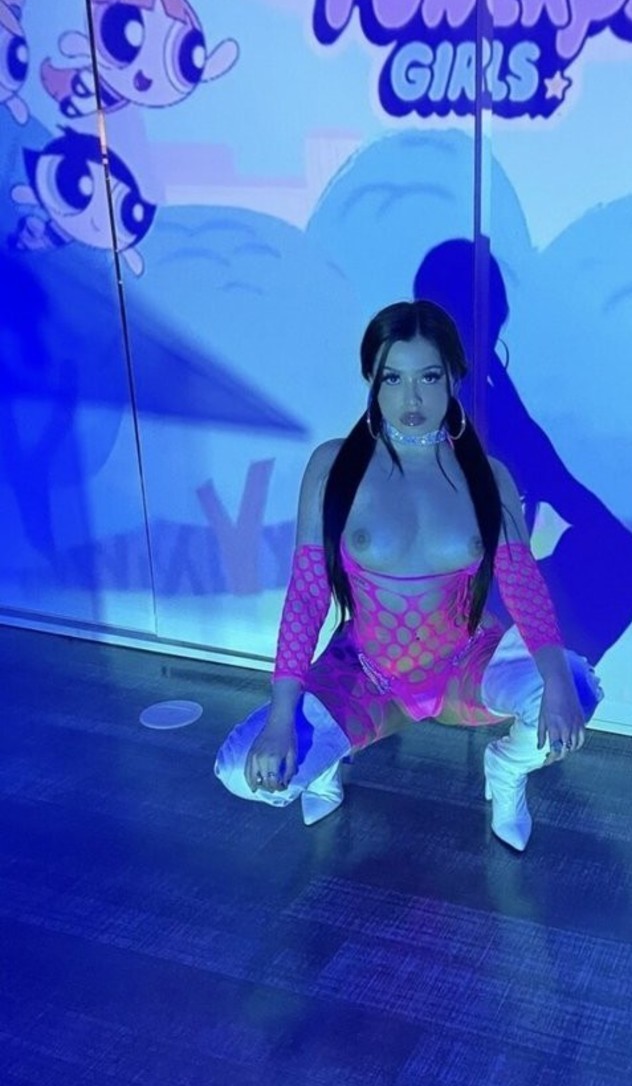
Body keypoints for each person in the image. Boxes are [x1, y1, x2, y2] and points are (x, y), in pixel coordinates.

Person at [215, 300, 603, 851]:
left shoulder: (487, 476)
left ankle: (506, 770)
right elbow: (307, 596)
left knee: (577, 687)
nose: (411, 399)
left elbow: (523, 586)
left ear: (454, 378)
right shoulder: (333, 466)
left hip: (465, 666)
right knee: (243, 772)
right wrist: (282, 716)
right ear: (371, 380)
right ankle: (325, 759)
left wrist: (557, 684)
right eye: (392, 378)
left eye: (429, 377)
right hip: (366, 675)